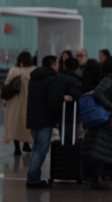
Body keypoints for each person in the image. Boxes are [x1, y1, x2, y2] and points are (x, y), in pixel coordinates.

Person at [82, 57, 112, 190]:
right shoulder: (108, 80)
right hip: (109, 121)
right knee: (102, 150)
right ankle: (97, 180)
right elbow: (97, 93)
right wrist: (110, 104)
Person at [26, 55, 59, 188]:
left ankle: (32, 177)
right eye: (57, 64)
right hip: (45, 119)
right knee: (41, 150)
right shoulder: (52, 79)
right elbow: (52, 101)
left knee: (35, 149)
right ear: (52, 65)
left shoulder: (34, 78)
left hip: (33, 118)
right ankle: (33, 179)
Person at [3, 51, 36, 156]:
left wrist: (5, 101)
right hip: (29, 102)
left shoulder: (13, 70)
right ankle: (26, 144)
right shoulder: (34, 70)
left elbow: (7, 85)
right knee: (27, 125)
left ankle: (17, 148)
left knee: (15, 125)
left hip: (14, 103)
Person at [55, 57, 82, 143]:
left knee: (63, 136)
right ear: (77, 69)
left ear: (64, 66)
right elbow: (75, 96)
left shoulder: (57, 77)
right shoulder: (75, 80)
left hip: (59, 112)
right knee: (70, 139)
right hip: (71, 114)